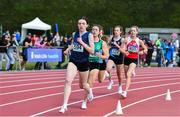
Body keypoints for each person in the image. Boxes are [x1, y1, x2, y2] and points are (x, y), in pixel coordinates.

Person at [59, 17, 94, 113]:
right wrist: (68, 50)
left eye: (83, 23)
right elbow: (73, 45)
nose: (81, 25)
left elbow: (92, 50)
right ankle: (64, 105)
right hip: (73, 60)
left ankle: (90, 91)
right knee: (67, 80)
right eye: (79, 23)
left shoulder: (89, 35)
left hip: (84, 62)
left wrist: (82, 42)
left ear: (87, 25)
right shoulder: (75, 34)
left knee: (83, 85)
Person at [81, 24, 109, 109]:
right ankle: (90, 91)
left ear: (99, 31)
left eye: (96, 30)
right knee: (83, 85)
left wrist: (100, 56)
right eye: (92, 29)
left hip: (96, 63)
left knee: (90, 82)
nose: (94, 31)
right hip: (86, 63)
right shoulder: (87, 41)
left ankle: (84, 102)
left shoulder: (102, 43)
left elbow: (107, 55)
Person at [121, 26, 147, 98]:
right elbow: (121, 48)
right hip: (126, 59)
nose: (132, 32)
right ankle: (132, 71)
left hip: (134, 59)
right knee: (126, 76)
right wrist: (124, 52)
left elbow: (145, 49)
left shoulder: (139, 41)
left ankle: (125, 91)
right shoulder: (126, 39)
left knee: (128, 74)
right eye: (131, 31)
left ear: (137, 32)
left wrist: (142, 51)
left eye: (134, 31)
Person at [106, 25, 125, 95]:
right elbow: (108, 46)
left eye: (117, 30)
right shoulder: (111, 38)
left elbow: (122, 49)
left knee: (119, 74)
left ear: (120, 32)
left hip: (119, 58)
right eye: (115, 30)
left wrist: (117, 45)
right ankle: (111, 81)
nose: (116, 32)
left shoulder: (122, 40)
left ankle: (120, 86)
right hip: (112, 57)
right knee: (107, 69)